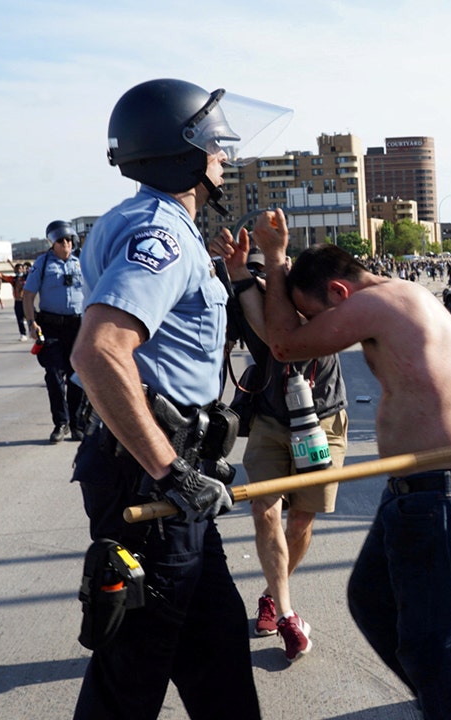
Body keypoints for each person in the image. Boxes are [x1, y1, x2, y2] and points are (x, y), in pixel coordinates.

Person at [68, 77, 289, 720]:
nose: (223, 156)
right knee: (129, 676)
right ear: (180, 152)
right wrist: (172, 471)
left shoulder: (147, 222)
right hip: (156, 483)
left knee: (218, 656)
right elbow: (98, 350)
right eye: (214, 144)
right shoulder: (159, 234)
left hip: (170, 483)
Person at [218, 212, 451, 720]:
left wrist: (276, 260)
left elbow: (283, 343)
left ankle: (450, 708)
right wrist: (243, 279)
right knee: (371, 601)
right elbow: (280, 338)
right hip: (419, 492)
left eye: (315, 315)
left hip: (440, 493)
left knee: (430, 642)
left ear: (340, 293)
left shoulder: (376, 304)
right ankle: (444, 704)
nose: (315, 327)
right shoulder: (399, 299)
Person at [215, 242, 349, 662]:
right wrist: (237, 281)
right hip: (272, 421)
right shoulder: (246, 302)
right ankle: (288, 613)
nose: (262, 284)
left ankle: (273, 594)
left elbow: (289, 334)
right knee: (266, 511)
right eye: (254, 278)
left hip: (322, 421)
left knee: (302, 520)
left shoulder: (313, 304)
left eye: (267, 276)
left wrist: (268, 272)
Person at [23, 221, 86, 443]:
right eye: (61, 240)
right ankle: (61, 423)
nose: (66, 244)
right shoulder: (42, 264)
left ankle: (78, 424)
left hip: (77, 326)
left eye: (69, 240)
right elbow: (28, 295)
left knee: (77, 376)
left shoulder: (81, 263)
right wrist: (32, 323)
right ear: (53, 243)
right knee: (53, 374)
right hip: (50, 326)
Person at [0, 262, 30, 340]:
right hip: (18, 301)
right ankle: (23, 334)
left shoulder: (28, 277)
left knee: (30, 317)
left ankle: (33, 331)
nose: (19, 270)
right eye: (17, 269)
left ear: (24, 269)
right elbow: (3, 277)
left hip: (27, 301)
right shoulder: (14, 279)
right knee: (19, 318)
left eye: (20, 268)